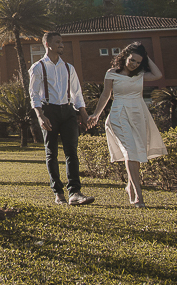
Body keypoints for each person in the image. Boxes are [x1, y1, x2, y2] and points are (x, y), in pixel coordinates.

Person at [87, 41, 166, 208]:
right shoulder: (112, 73)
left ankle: (130, 185)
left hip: (138, 114)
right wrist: (96, 114)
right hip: (119, 114)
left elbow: (158, 75)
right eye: (132, 60)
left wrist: (146, 58)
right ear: (124, 56)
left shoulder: (140, 74)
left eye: (138, 62)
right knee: (130, 151)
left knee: (136, 153)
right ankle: (139, 195)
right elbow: (105, 95)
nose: (134, 64)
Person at [30, 31, 94, 206]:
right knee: (51, 153)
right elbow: (34, 95)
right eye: (58, 42)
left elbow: (77, 93)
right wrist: (40, 116)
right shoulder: (38, 67)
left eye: (62, 42)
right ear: (47, 44)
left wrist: (83, 113)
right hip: (49, 112)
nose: (62, 45)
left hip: (68, 112)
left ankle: (75, 192)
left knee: (71, 152)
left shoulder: (69, 68)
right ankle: (58, 193)